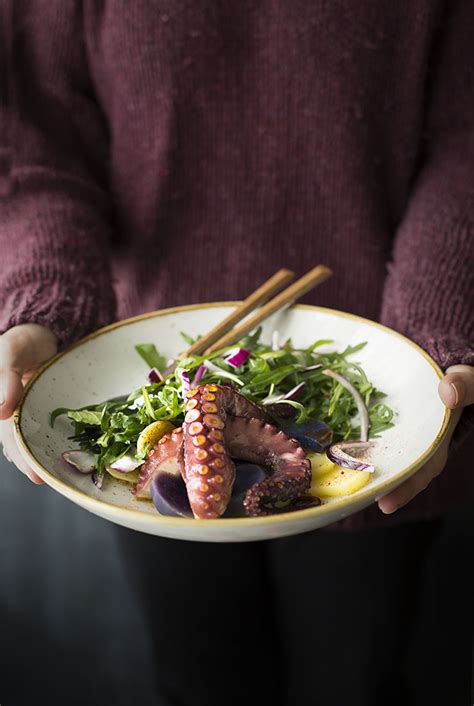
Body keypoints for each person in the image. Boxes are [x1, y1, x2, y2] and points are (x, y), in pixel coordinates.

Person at [1, 2, 473, 705]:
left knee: (356, 683)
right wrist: (46, 303)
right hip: (148, 385)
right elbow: (37, 140)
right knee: (200, 682)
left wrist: (430, 348)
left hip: (379, 418)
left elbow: (464, 139)